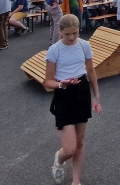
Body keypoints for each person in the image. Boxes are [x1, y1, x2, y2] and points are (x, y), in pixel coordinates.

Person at [45, 14, 102, 185]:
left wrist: (96, 96)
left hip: (82, 91)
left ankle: (76, 181)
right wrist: (61, 84)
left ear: (79, 30)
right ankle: (59, 158)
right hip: (63, 94)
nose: (71, 37)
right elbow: (47, 81)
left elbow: (91, 71)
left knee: (79, 141)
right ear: (60, 32)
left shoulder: (84, 45)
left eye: (75, 33)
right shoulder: (54, 50)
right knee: (70, 148)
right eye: (67, 34)